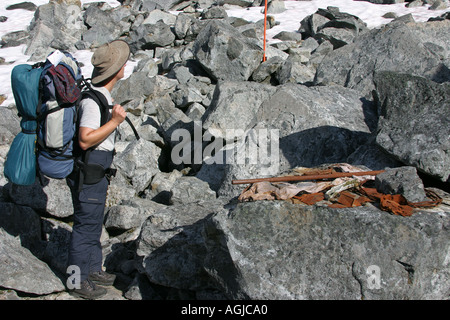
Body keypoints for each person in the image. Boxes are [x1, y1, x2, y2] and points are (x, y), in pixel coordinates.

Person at [66, 40, 130, 299]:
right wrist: (115, 121)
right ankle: (75, 281)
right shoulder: (93, 101)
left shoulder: (98, 93)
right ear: (117, 70)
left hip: (96, 170)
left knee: (92, 224)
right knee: (85, 226)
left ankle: (92, 270)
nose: (126, 65)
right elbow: (85, 138)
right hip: (90, 170)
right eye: (123, 63)